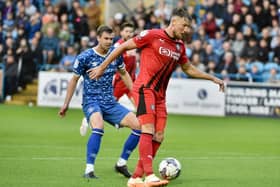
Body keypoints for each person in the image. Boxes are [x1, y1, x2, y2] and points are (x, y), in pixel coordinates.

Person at [87, 8, 225, 187]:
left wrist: (212, 78)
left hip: (160, 96)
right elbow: (121, 47)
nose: (186, 30)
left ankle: (136, 177)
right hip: (144, 89)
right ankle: (150, 174)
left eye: (188, 27)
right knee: (148, 129)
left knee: (159, 135)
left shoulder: (179, 46)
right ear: (174, 22)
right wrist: (102, 67)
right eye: (184, 25)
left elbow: (188, 69)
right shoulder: (152, 35)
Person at [58, 25, 141, 179]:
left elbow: (124, 74)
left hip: (110, 102)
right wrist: (66, 104)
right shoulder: (85, 57)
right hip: (91, 101)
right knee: (98, 127)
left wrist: (135, 95)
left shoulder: (116, 55)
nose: (109, 41)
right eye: (106, 38)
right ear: (98, 38)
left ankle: (121, 164)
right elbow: (74, 80)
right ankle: (89, 170)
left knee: (138, 126)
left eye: (111, 39)